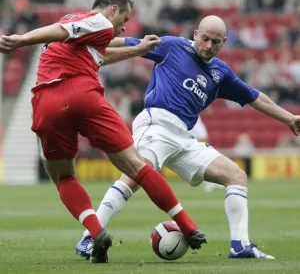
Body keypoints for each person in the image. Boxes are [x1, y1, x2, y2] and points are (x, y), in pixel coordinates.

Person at [0, 0, 206, 263]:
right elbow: (61, 30)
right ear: (112, 9)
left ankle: (96, 232)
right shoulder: (97, 20)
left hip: (47, 102)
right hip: (83, 94)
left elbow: (99, 55)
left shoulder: (81, 28)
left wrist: (137, 49)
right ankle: (188, 225)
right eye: (125, 18)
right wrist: (21, 40)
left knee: (63, 178)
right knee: (138, 167)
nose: (124, 26)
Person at [76, 15, 300, 260]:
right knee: (135, 176)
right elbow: (129, 43)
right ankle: (89, 237)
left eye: (215, 42)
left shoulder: (220, 72)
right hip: (157, 124)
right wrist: (92, 45)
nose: (208, 46)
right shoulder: (173, 46)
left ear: (224, 42)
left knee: (236, 175)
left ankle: (240, 246)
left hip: (185, 136)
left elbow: (256, 97)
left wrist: (289, 118)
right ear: (195, 34)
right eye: (204, 39)